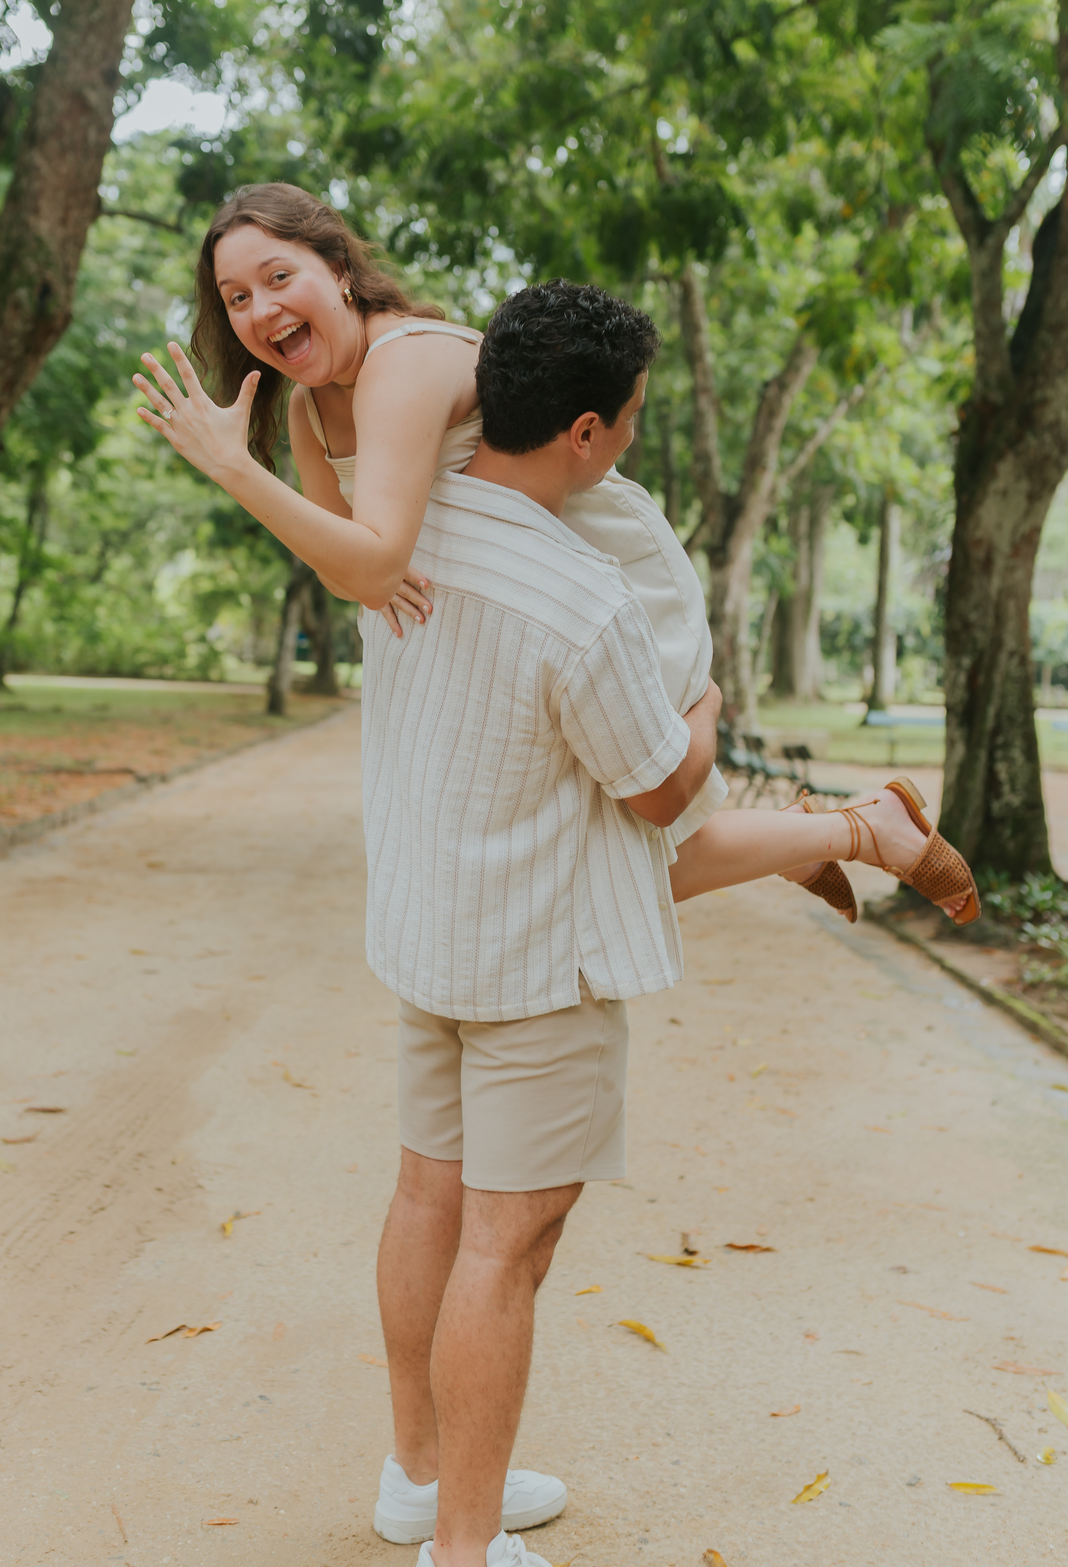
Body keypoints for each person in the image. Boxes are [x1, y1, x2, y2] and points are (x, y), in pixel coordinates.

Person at [355, 280, 975, 1567]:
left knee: (429, 1200)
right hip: (536, 962)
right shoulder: (583, 599)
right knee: (505, 1246)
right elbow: (663, 789)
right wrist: (693, 702)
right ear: (582, 431)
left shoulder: (400, 514)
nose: (629, 440)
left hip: (430, 930)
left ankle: (422, 1480)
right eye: (628, 419)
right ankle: (463, 1551)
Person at [132, 184, 978, 929]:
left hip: (601, 571)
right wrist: (367, 558)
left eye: (279, 277)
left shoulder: (404, 361)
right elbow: (346, 569)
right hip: (512, 611)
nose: (259, 310)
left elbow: (375, 566)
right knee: (588, 859)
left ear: (338, 268)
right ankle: (835, 834)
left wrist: (237, 472)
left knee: (631, 844)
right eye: (236, 297)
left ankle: (850, 830)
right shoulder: (311, 412)